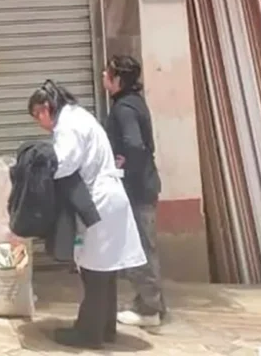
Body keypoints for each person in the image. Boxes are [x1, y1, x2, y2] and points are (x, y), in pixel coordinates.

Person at [29, 81, 145, 349]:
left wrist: (36, 169)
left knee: (94, 272)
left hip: (99, 201)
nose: (39, 123)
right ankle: (105, 328)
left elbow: (64, 164)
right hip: (109, 198)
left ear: (46, 108)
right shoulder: (79, 116)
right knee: (105, 270)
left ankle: (88, 333)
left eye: (37, 115)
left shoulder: (68, 126)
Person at [104, 55, 165, 328]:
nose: (104, 76)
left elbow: (135, 145)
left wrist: (123, 166)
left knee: (140, 248)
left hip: (137, 189)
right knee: (144, 246)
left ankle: (149, 310)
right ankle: (151, 303)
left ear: (118, 79)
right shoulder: (131, 102)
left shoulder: (125, 109)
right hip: (144, 185)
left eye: (108, 72)